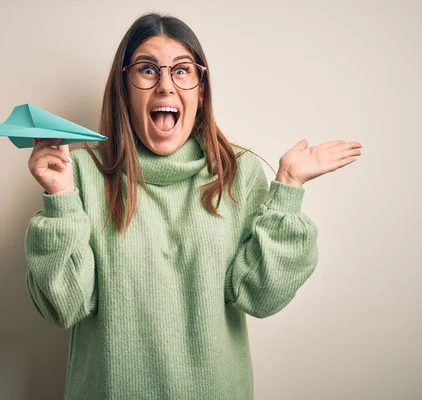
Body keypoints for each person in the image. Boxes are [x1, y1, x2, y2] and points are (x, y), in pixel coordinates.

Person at [24, 12, 362, 400]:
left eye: (182, 70)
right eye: (147, 70)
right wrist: (60, 199)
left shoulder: (239, 172)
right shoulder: (80, 171)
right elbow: (62, 306)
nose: (166, 86)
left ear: (201, 90)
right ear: (124, 87)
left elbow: (261, 297)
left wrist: (288, 186)